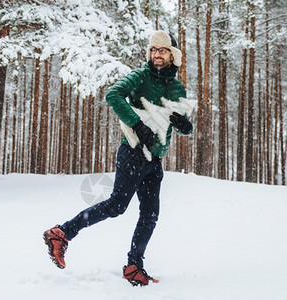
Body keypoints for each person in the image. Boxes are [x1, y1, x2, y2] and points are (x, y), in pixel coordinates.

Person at [43, 30, 193, 286]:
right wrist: (136, 124)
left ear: (172, 55)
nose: (157, 54)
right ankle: (62, 233)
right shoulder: (140, 76)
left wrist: (184, 126)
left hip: (154, 159)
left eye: (163, 50)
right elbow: (113, 95)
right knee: (116, 206)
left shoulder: (177, 87)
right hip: (133, 153)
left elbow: (179, 123)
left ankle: (134, 265)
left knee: (150, 216)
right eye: (154, 50)